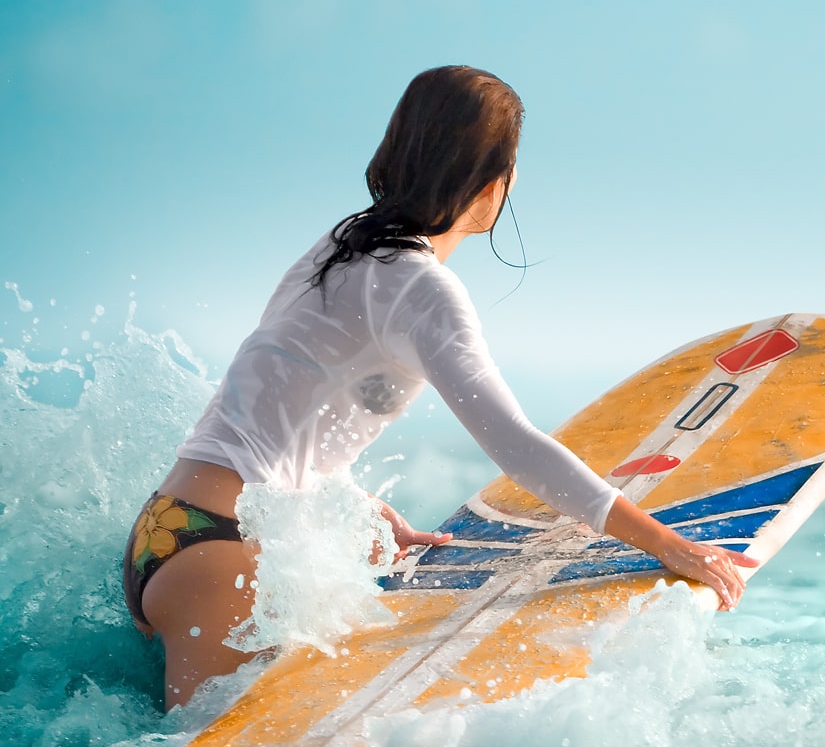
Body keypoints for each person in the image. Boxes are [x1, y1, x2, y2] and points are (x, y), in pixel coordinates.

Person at [122, 66, 756, 708]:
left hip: (168, 533)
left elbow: (276, 401)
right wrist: (670, 545)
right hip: (226, 562)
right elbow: (518, 447)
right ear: (489, 186)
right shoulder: (424, 288)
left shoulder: (341, 244)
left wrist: (351, 504)